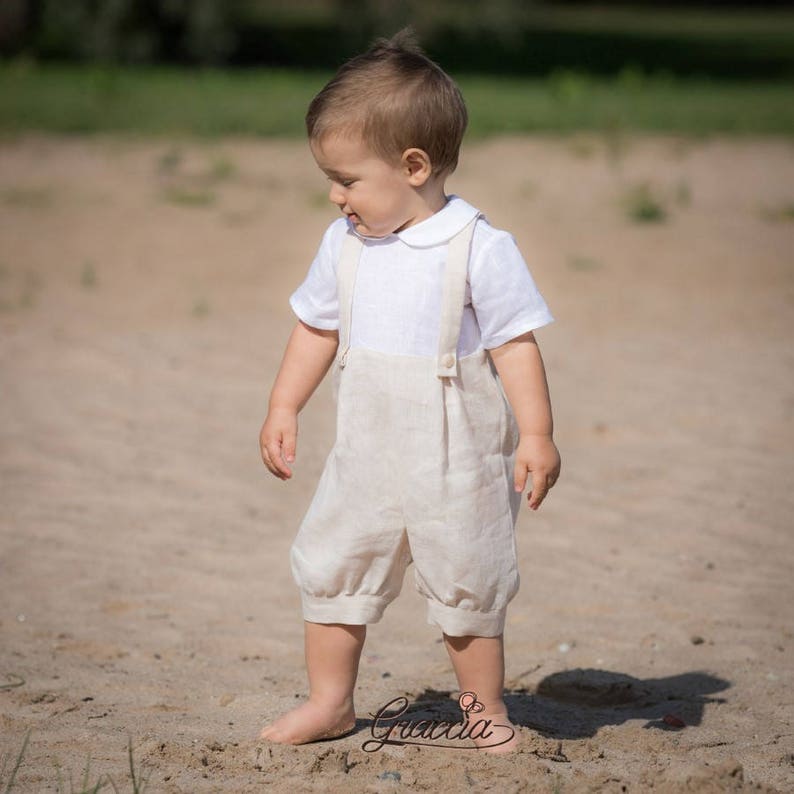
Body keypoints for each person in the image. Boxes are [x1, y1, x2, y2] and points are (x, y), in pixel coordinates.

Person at [258, 29, 560, 753]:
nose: (336, 196)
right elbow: (316, 328)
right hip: (365, 448)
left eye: (347, 180)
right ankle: (330, 702)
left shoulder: (479, 246)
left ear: (413, 165)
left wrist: (538, 433)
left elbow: (514, 344)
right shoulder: (344, 244)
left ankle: (483, 708)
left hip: (455, 453)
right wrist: (284, 405)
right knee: (334, 565)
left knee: (467, 577)